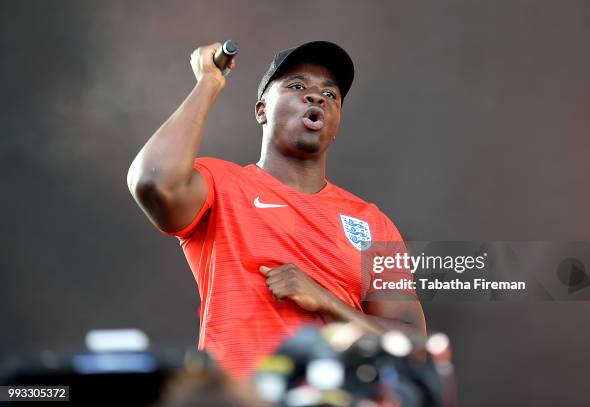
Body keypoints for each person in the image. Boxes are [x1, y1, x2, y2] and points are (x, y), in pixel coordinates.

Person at [127, 41, 426, 378]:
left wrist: (326, 301)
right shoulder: (222, 184)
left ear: (337, 122)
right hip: (241, 397)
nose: (316, 97)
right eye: (297, 86)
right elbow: (154, 182)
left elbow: (413, 345)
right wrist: (208, 81)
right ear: (261, 110)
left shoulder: (372, 223)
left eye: (331, 95)